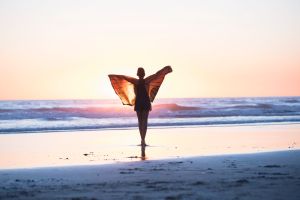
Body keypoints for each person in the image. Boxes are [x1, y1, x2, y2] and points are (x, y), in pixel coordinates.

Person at [108, 66, 172, 146]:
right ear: (144, 74)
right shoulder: (147, 80)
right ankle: (143, 140)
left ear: (137, 74)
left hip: (139, 102)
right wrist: (165, 70)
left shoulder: (135, 81)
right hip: (145, 102)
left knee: (140, 122)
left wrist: (113, 76)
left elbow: (124, 78)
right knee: (144, 122)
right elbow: (156, 75)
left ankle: (142, 139)